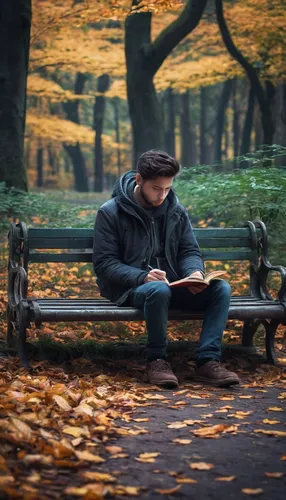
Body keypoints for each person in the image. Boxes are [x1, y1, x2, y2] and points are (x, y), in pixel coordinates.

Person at [93, 150, 240, 389]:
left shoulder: (176, 211)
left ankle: (208, 361)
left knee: (220, 289)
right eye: (156, 188)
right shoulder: (110, 212)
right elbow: (105, 264)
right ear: (139, 180)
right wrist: (142, 277)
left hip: (173, 284)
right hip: (131, 288)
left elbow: (189, 251)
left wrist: (194, 273)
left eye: (168, 189)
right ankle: (157, 360)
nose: (162, 195)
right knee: (157, 291)